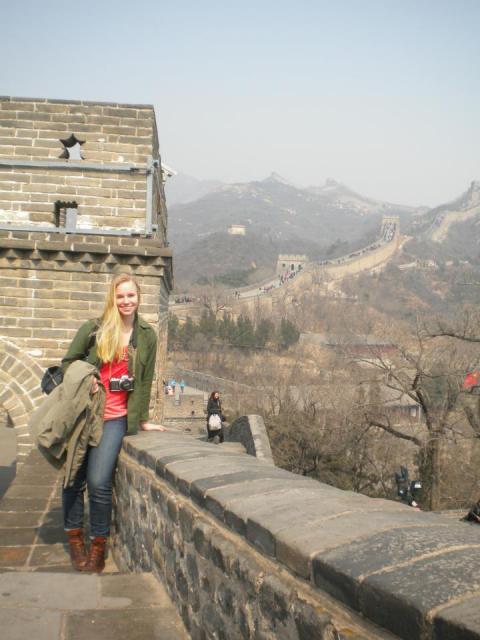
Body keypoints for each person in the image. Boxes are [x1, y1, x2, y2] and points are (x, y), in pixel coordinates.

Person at [60, 272, 165, 573]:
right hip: (85, 413)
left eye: (130, 295)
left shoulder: (146, 335)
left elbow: (144, 381)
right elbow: (68, 363)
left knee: (99, 482)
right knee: (73, 478)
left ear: (139, 297)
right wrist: (88, 379)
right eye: (120, 296)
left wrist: (142, 420)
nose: (126, 301)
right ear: (112, 298)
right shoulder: (93, 329)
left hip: (116, 417)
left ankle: (98, 545)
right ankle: (75, 539)